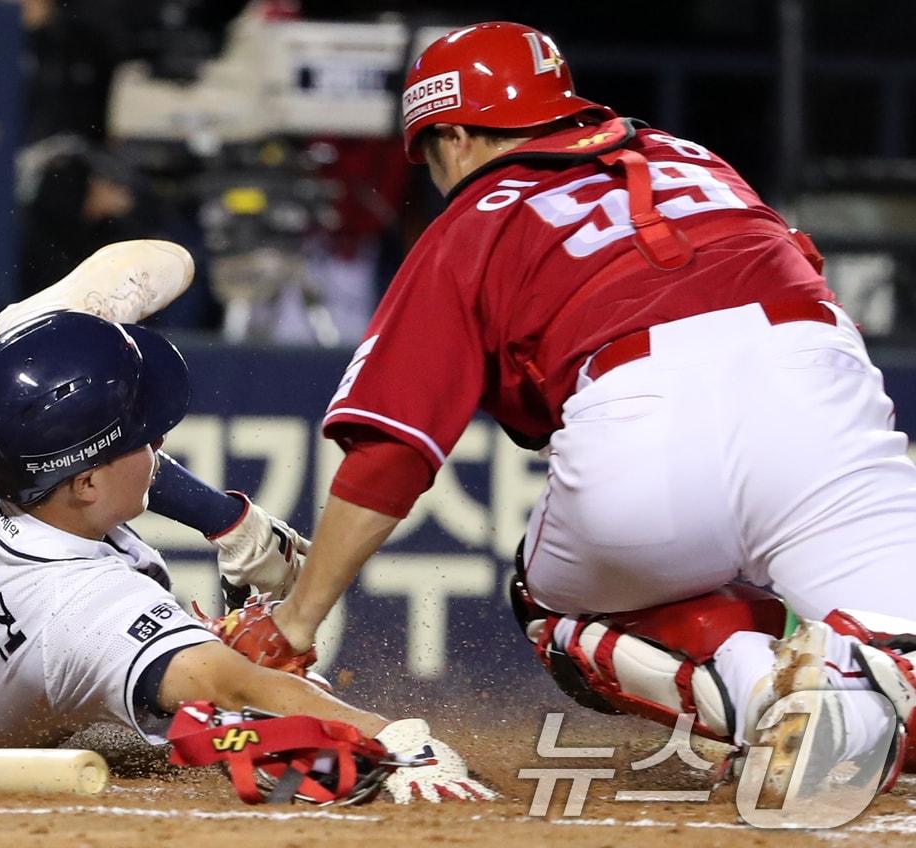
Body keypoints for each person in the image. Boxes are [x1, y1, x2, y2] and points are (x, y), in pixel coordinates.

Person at [209, 22, 916, 794]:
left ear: (452, 134)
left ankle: (757, 700)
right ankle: (864, 675)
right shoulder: (694, 159)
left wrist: (301, 618)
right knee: (902, 652)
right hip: (819, 395)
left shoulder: (475, 219)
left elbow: (392, 451)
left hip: (644, 422)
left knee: (551, 603)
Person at [0, 240, 495, 804]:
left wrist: (226, 522)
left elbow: (105, 447)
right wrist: (388, 735)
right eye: (144, 436)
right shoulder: (87, 611)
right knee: (184, 724)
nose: (157, 441)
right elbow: (231, 680)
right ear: (81, 480)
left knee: (138, 703)